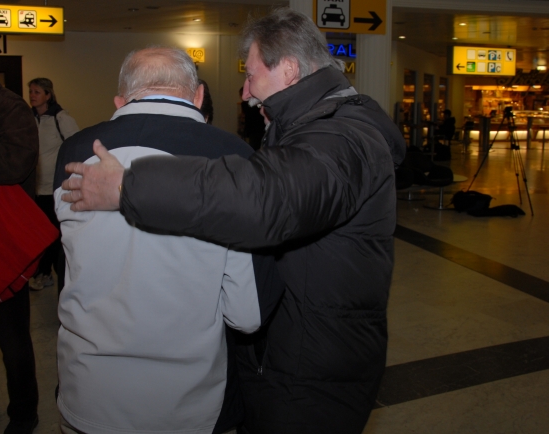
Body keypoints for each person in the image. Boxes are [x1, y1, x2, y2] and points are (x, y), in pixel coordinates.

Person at [60, 8, 406, 434]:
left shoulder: (341, 136)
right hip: (294, 359)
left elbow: (266, 198)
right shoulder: (308, 130)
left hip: (315, 373)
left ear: (290, 70)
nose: (244, 92)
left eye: (252, 76)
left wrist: (129, 188)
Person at [53, 46, 283, 434]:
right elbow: (247, 315)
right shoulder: (233, 157)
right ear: (197, 95)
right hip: (186, 399)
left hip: (87, 386)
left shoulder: (74, 153)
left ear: (120, 100)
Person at [0, 48, 40, 434]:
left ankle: (24, 414)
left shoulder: (10, 107)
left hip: (3, 243)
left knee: (13, 340)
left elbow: (16, 163)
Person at [28, 78, 79, 291]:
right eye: (30, 91)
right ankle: (44, 272)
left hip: (54, 187)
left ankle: (52, 274)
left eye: (37, 92)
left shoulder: (61, 118)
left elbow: (76, 146)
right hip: (35, 188)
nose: (32, 95)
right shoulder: (28, 119)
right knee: (38, 232)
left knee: (54, 234)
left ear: (48, 95)